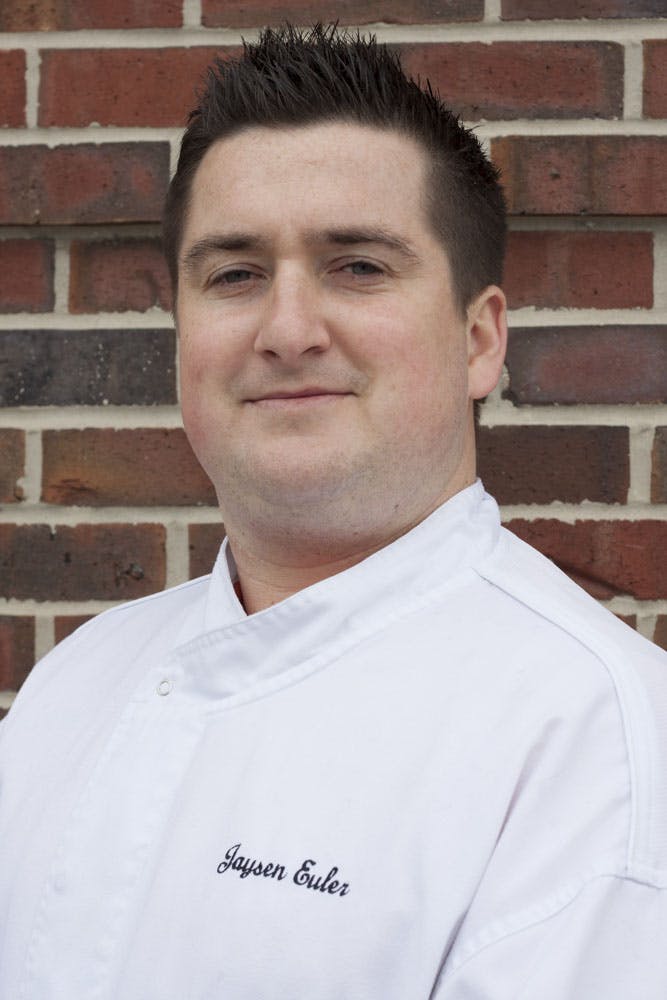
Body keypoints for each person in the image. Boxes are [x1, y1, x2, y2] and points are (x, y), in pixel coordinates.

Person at [1, 23, 666, 999]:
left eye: (357, 265)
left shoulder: (591, 739)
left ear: (479, 340)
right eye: (234, 273)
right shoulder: (77, 682)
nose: (286, 330)